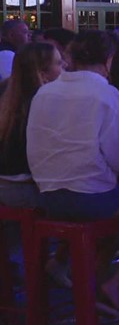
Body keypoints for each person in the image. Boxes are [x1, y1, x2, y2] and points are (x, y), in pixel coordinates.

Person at [27, 30, 119, 317]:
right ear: (109, 60)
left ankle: (85, 288)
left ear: (70, 57)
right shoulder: (106, 94)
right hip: (89, 198)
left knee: (118, 216)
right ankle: (115, 284)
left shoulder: (44, 92)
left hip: (46, 198)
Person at [0, 43, 64, 209]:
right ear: (43, 74)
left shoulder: (6, 93)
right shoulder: (45, 103)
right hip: (28, 189)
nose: (65, 66)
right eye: (58, 63)